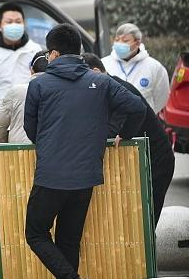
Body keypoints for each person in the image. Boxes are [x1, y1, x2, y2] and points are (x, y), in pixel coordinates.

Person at [24, 23, 145, 279]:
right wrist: (125, 134)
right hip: (85, 177)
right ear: (78, 51)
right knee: (69, 240)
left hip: (51, 175)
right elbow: (138, 107)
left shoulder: (39, 85)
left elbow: (30, 129)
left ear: (53, 54)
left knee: (35, 233)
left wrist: (47, 147)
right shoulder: (101, 82)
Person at [82, 52, 175, 226]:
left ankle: (147, 253)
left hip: (156, 162)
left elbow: (111, 131)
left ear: (95, 72)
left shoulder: (118, 90)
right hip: (135, 162)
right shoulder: (103, 89)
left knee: (144, 223)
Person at [102, 23, 170, 113]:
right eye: (117, 40)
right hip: (111, 123)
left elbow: (162, 97)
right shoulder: (104, 64)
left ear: (137, 42)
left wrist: (147, 115)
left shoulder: (154, 67)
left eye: (125, 41)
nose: (120, 44)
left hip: (143, 124)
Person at [0, 50, 48, 144]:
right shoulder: (63, 91)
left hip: (18, 153)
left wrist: (5, 147)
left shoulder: (16, 91)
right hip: (52, 152)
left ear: (31, 69)